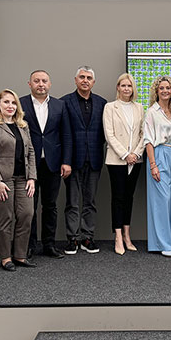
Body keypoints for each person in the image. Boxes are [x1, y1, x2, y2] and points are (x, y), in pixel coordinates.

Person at [0, 89, 37, 271]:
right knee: (5, 218)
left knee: (26, 215)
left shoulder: (23, 125)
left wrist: (32, 177)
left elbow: (31, 152)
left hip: (23, 179)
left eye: (13, 103)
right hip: (2, 180)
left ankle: (20, 255)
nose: (10, 106)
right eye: (6, 102)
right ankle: (5, 257)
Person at [20, 70, 72, 259]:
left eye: (44, 81)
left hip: (53, 163)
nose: (40, 84)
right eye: (36, 81)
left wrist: (66, 161)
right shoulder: (20, 103)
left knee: (50, 206)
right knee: (29, 207)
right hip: (28, 164)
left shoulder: (60, 105)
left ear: (49, 84)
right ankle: (29, 246)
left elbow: (66, 134)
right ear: (29, 84)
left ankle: (49, 245)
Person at [61, 66, 107, 255]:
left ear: (93, 82)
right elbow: (63, 133)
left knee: (90, 201)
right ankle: (72, 238)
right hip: (72, 160)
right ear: (75, 80)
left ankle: (87, 237)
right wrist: (65, 161)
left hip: (94, 158)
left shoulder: (102, 103)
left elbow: (105, 132)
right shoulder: (65, 102)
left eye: (89, 78)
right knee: (72, 202)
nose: (85, 80)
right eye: (82, 77)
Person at [103, 73, 145, 255]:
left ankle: (128, 235)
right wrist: (126, 154)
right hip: (116, 160)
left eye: (129, 85)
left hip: (136, 159)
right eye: (123, 85)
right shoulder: (110, 107)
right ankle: (118, 237)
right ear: (118, 88)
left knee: (129, 197)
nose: (126, 88)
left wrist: (135, 153)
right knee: (118, 197)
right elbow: (109, 135)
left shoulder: (139, 107)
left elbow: (144, 133)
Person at [144, 76, 171, 257]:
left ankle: (170, 240)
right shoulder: (152, 112)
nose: (165, 91)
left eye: (168, 88)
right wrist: (153, 165)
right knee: (161, 200)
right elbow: (148, 141)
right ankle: (162, 243)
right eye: (162, 88)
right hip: (159, 154)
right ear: (156, 91)